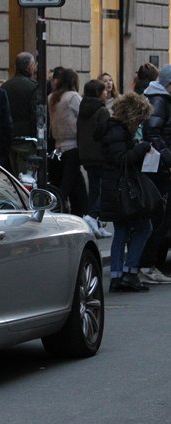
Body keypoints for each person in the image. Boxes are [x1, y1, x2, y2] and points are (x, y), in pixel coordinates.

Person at [99, 93, 154, 292]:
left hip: (114, 187)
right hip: (120, 189)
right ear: (132, 116)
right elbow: (122, 159)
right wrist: (142, 148)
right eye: (139, 121)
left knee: (121, 231)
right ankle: (129, 272)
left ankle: (117, 275)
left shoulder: (114, 129)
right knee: (143, 227)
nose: (139, 126)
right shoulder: (117, 131)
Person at [138, 64, 171, 284]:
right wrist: (169, 157)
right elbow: (153, 133)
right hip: (161, 168)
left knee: (161, 218)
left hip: (161, 166)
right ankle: (147, 264)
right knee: (159, 217)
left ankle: (150, 263)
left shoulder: (161, 98)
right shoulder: (160, 100)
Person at [48, 68, 88, 217]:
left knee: (75, 182)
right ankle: (81, 213)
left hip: (58, 145)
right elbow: (82, 117)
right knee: (70, 183)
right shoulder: (73, 97)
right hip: (73, 145)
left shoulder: (52, 97)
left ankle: (82, 213)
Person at [77, 79, 112, 238]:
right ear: (98, 93)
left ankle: (94, 223)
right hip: (100, 154)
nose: (106, 93)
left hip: (86, 154)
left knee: (94, 189)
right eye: (104, 91)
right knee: (106, 189)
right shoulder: (102, 111)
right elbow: (103, 133)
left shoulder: (83, 108)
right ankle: (93, 216)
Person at [1, 52, 39, 176]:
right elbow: (35, 114)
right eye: (33, 65)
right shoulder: (33, 86)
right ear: (28, 67)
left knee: (14, 176)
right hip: (27, 140)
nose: (35, 68)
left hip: (10, 138)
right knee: (27, 177)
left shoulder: (5, 86)